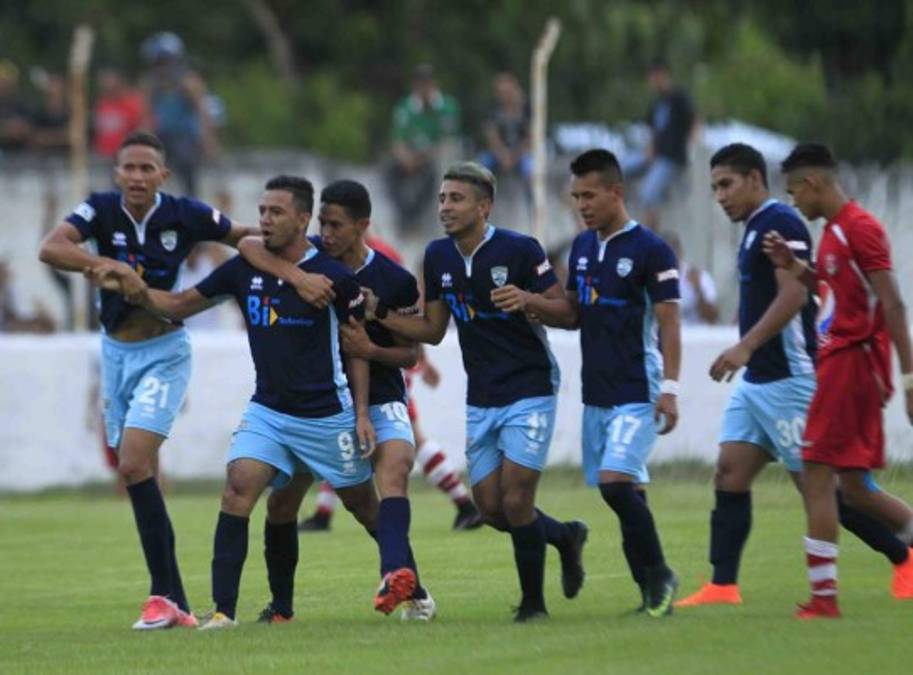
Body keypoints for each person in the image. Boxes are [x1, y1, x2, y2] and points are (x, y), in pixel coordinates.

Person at [91, 175, 383, 630]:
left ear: (303, 219)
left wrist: (363, 411)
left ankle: (411, 584)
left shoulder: (331, 275)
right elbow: (181, 304)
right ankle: (223, 612)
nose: (264, 219)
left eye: (276, 212)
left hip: (326, 413)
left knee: (365, 507)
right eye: (262, 210)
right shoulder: (244, 267)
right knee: (238, 488)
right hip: (268, 411)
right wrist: (137, 290)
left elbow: (359, 345)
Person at [37, 131, 262, 630]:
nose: (137, 177)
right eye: (128, 168)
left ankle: (162, 596)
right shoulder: (100, 210)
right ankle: (173, 599)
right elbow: (51, 248)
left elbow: (244, 238)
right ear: (116, 174)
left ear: (163, 175)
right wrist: (106, 264)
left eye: (147, 169)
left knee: (136, 460)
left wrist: (296, 249)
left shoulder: (185, 214)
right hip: (115, 353)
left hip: (163, 353)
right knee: (134, 471)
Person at [676, 143, 913, 611]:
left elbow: (793, 299)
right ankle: (723, 586)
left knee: (829, 489)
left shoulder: (782, 221)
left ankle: (903, 555)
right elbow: (818, 284)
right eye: (714, 188)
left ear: (754, 180)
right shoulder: (763, 230)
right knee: (730, 471)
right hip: (759, 381)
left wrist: (745, 345)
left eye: (726, 184)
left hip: (790, 378)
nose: (719, 196)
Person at [364, 161, 587, 623]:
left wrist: (529, 301)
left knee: (517, 499)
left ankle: (533, 606)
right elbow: (431, 329)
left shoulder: (520, 250)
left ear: (484, 206)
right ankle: (564, 536)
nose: (445, 207)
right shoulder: (438, 256)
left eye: (456, 199)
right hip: (482, 395)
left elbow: (568, 312)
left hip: (530, 388)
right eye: (443, 198)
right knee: (490, 508)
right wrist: (379, 314)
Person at [237, 179, 438, 621]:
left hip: (380, 397)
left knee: (393, 478)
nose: (326, 234)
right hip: (317, 406)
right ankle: (282, 607)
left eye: (336, 225)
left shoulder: (395, 281)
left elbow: (412, 353)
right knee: (282, 504)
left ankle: (405, 585)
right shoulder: (307, 258)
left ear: (363, 225)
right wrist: (293, 274)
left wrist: (372, 351)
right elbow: (248, 245)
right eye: (322, 223)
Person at [511, 149, 682, 617]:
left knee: (615, 484)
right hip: (597, 393)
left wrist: (671, 388)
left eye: (589, 195)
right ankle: (649, 591)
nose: (581, 204)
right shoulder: (583, 247)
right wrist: (528, 302)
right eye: (575, 197)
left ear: (616, 192)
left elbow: (669, 323)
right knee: (628, 495)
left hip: (639, 389)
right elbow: (571, 314)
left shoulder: (651, 249)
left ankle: (662, 573)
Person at [763, 143, 913, 618]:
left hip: (853, 364)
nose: (794, 204)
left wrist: (909, 378)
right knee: (854, 488)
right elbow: (835, 292)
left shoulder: (861, 229)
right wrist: (796, 266)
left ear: (813, 184)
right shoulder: (833, 234)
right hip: (838, 363)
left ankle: (824, 599)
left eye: (794, 193)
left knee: (816, 472)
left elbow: (892, 303)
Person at [295, 234, 482, 533]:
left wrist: (421, 359)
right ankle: (323, 513)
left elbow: (403, 311)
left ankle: (464, 503)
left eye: (336, 224)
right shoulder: (333, 255)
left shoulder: (383, 258)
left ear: (357, 224)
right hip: (358, 362)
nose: (329, 232)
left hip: (384, 366)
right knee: (348, 435)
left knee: (409, 438)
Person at [386, 64, 460, 235]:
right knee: (390, 172)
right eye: (420, 84)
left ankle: (415, 217)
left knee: (431, 174)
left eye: (427, 83)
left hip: (430, 157)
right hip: (409, 155)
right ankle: (404, 216)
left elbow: (447, 142)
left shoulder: (447, 107)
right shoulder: (405, 107)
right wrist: (405, 158)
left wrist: (420, 160)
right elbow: (397, 140)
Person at [140, 32, 218, 196]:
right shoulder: (151, 83)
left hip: (185, 135)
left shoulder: (188, 82)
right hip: (162, 135)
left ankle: (191, 200)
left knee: (186, 164)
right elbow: (146, 115)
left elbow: (202, 112)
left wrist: (208, 140)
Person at [622, 60, 695, 230]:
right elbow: (651, 130)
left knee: (648, 193)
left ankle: (650, 238)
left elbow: (693, 121)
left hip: (671, 157)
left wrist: (692, 149)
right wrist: (649, 148)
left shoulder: (679, 97)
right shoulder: (657, 103)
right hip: (654, 155)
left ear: (663, 75)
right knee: (618, 168)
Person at [479, 72, 532, 184]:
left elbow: (530, 137)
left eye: (508, 92)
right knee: (481, 167)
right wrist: (503, 156)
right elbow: (492, 137)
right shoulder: (492, 109)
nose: (505, 96)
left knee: (530, 168)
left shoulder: (526, 108)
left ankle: (533, 199)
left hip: (522, 152)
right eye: (501, 93)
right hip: (498, 153)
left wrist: (514, 156)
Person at [660, 230, 719, 325]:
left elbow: (712, 318)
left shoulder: (699, 277)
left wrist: (697, 289)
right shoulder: (651, 279)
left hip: (695, 336)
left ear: (680, 252)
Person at [93, 68, 146, 158]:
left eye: (110, 81)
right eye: (104, 82)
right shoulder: (102, 103)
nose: (107, 85)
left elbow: (142, 126)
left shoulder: (131, 102)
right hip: (103, 154)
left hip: (125, 154)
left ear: (119, 82)